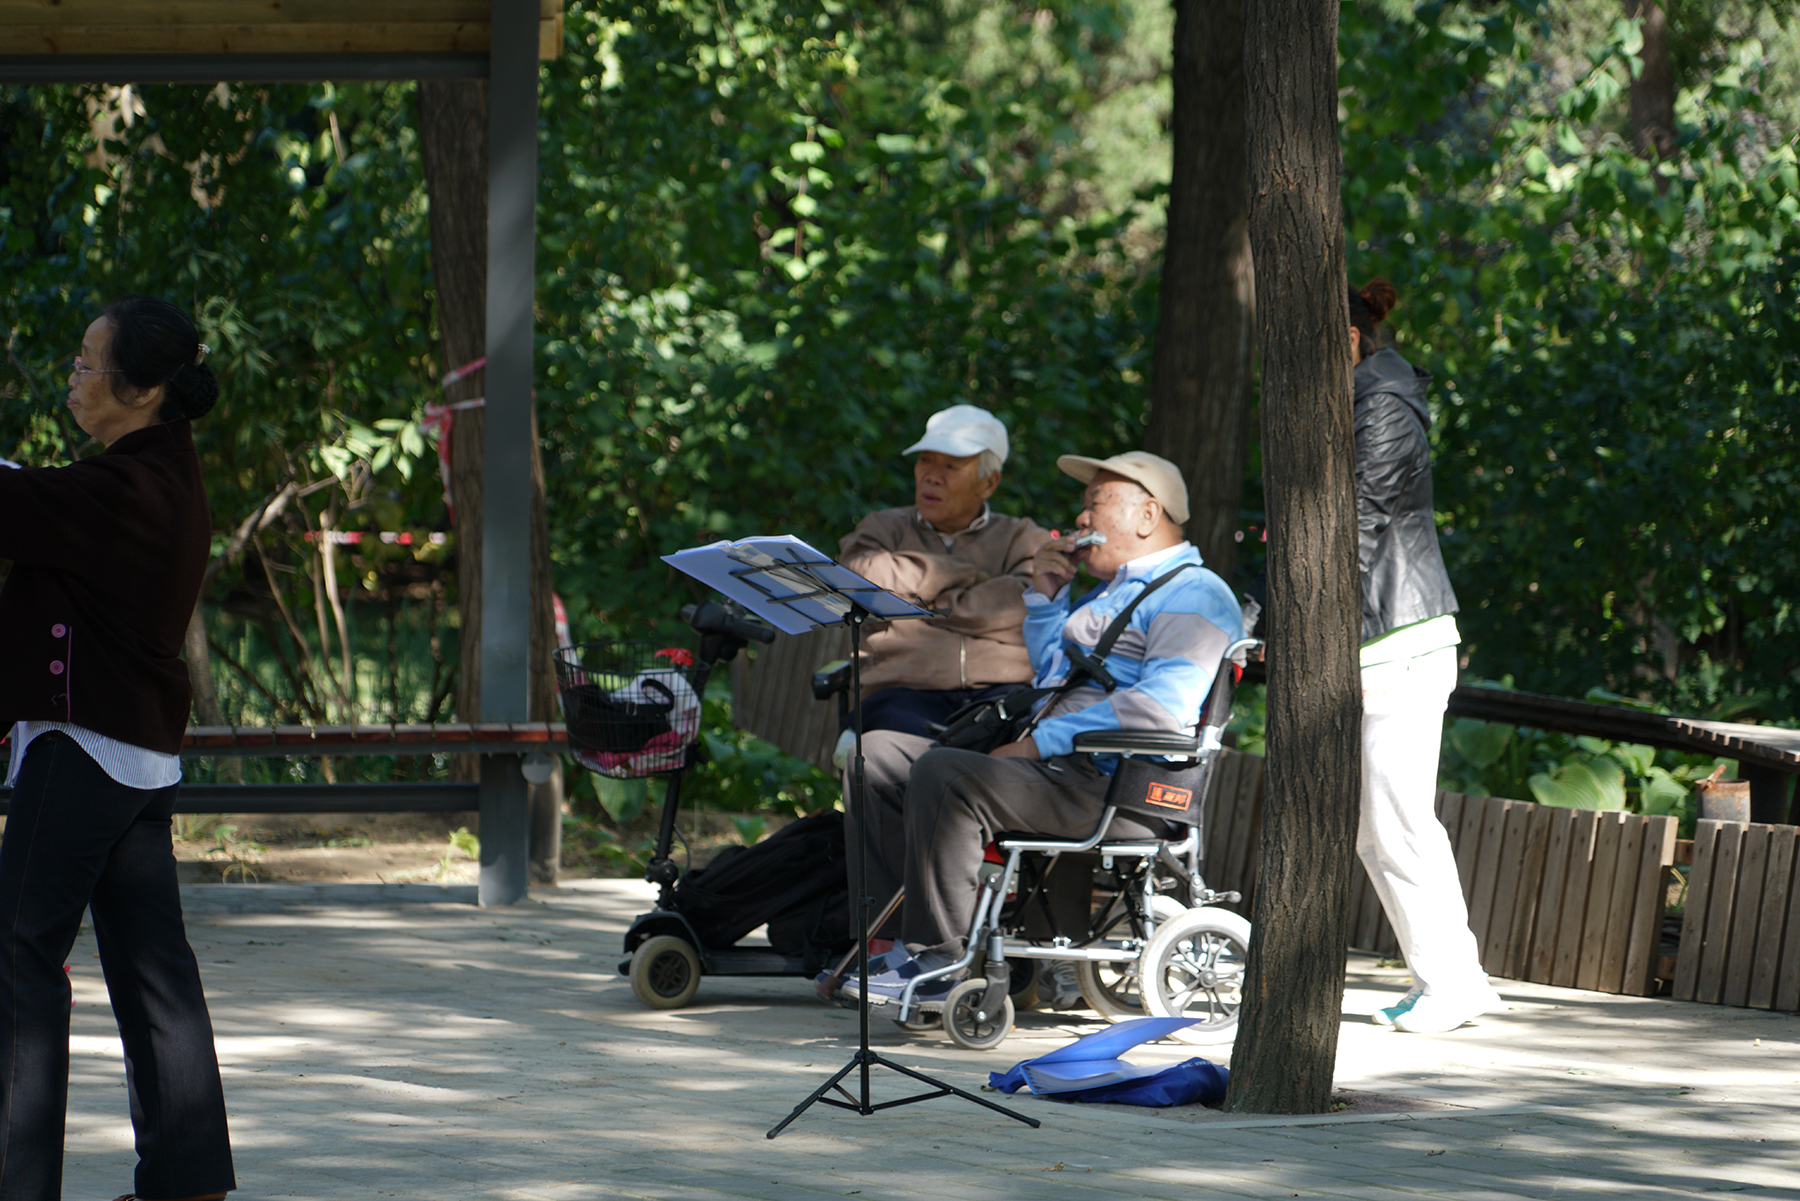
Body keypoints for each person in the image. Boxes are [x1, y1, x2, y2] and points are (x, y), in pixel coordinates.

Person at [840, 450, 1243, 1004]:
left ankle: (938, 961)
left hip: (1117, 785)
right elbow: (1055, 679)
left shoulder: (1196, 593)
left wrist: (1035, 745)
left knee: (946, 774)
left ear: (1148, 515)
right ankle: (894, 941)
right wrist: (1048, 598)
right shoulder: (1115, 589)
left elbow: (1160, 708)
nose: (1081, 519)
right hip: (1065, 769)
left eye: (1096, 504)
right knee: (876, 756)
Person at [0, 297, 236, 1200]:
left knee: (16, 952)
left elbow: (22, 504)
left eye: (87, 363)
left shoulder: (129, 488)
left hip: (85, 750)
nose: (74, 376)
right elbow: (39, 498)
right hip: (130, 756)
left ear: (141, 390)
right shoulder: (154, 476)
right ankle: (187, 1179)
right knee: (152, 968)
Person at [1348, 277, 1502, 1034]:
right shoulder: (1368, 395)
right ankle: (1451, 977)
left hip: (1400, 638)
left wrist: (1284, 615)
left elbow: (1359, 520)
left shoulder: (1381, 401)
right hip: (1384, 638)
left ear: (1347, 339)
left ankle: (1454, 984)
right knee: (1377, 827)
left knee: (1398, 819)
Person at [836, 404, 1051, 740]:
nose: (932, 476)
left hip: (1000, 691)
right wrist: (961, 574)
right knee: (891, 748)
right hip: (901, 691)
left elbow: (1024, 603)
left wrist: (916, 604)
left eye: (951, 466)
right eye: (925, 461)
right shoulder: (883, 528)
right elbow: (858, 575)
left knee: (1009, 743)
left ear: (988, 483)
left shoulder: (1022, 537)